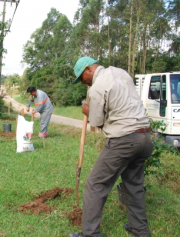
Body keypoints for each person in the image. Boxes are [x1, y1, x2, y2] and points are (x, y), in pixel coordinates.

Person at [69, 57, 154, 237]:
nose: (83, 82)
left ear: (88, 69)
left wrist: (88, 112)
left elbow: (97, 122)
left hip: (124, 140)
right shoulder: (120, 72)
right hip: (145, 137)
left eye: (82, 78)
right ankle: (140, 231)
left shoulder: (97, 87)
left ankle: (90, 234)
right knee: (134, 185)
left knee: (95, 184)